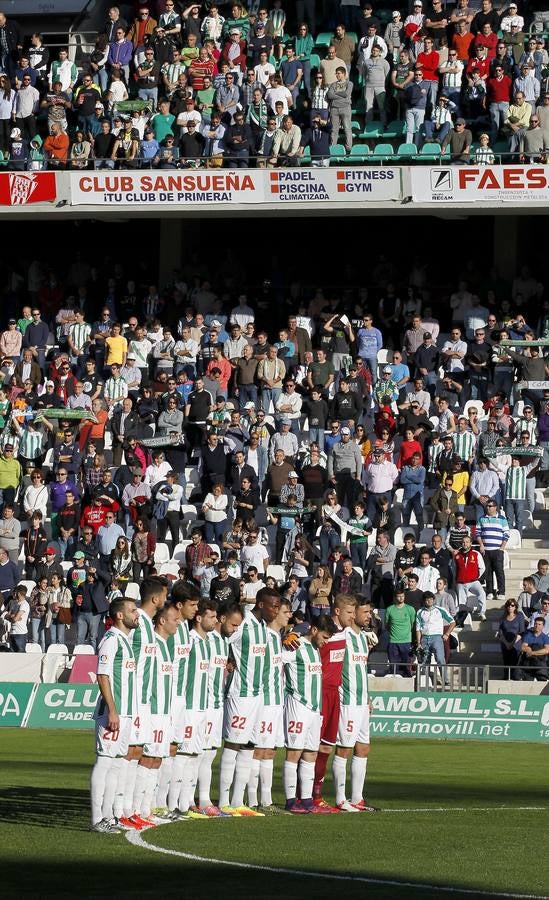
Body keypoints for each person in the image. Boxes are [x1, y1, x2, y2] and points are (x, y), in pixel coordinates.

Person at [217, 586, 280, 815]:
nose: (276, 610)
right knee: (233, 744)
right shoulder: (243, 624)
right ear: (261, 605)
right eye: (273, 606)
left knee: (249, 746)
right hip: (240, 695)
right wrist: (227, 660)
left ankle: (237, 801)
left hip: (258, 696)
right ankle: (223, 801)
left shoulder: (263, 628)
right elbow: (222, 638)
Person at [90, 596, 139, 832]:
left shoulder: (125, 640)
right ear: (120, 615)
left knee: (117, 764)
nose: (137, 615)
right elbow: (102, 676)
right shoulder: (111, 640)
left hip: (126, 713)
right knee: (105, 762)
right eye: (132, 611)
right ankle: (96, 819)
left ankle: (109, 816)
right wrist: (112, 710)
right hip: (113, 712)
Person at [282, 613, 337, 814]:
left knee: (311, 754)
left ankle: (306, 800)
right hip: (298, 706)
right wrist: (285, 637)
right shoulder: (295, 646)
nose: (325, 642)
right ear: (314, 630)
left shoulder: (314, 649)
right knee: (294, 753)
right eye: (324, 637)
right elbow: (275, 658)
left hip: (314, 710)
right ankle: (290, 801)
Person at [332, 597, 380, 813]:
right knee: (344, 749)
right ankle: (340, 799)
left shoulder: (362, 638)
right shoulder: (342, 636)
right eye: (365, 612)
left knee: (363, 748)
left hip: (361, 703)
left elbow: (361, 670)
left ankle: (357, 798)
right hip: (347, 702)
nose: (368, 616)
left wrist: (367, 696)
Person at [416, 591, 456, 686]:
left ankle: (445, 680)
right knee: (425, 661)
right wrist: (418, 643)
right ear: (424, 601)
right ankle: (425, 682)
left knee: (440, 659)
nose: (429, 601)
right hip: (425, 637)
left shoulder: (440, 610)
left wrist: (447, 634)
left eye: (431, 599)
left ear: (433, 600)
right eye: (427, 599)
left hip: (437, 637)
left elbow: (452, 622)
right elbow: (418, 629)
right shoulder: (420, 612)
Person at [385, 589, 417, 676]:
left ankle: (408, 681)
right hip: (393, 641)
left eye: (402, 596)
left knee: (407, 666)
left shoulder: (410, 609)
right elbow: (387, 625)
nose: (401, 598)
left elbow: (412, 623)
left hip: (406, 641)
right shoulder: (389, 609)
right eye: (399, 596)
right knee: (393, 667)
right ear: (395, 597)